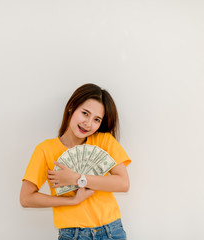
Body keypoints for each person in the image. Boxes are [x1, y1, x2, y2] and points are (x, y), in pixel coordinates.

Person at [20, 83, 131, 240]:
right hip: (73, 234)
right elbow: (26, 198)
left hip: (111, 231)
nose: (88, 123)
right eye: (85, 113)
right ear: (72, 107)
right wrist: (72, 201)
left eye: (97, 119)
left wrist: (78, 178)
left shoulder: (104, 140)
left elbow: (123, 183)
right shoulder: (45, 149)